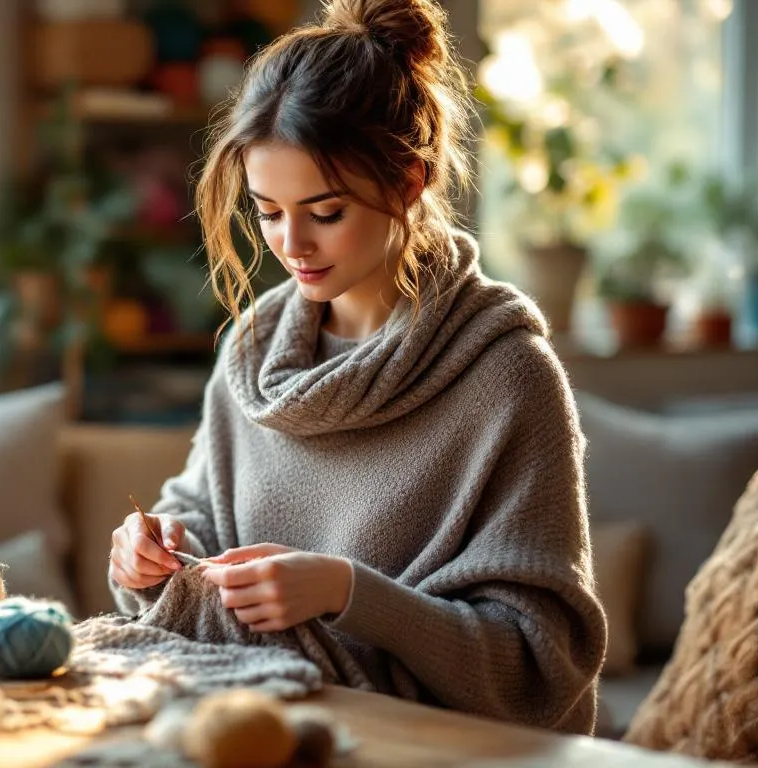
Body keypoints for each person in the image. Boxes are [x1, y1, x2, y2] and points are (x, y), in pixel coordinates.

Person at [106, 0, 607, 736]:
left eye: (326, 212)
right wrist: (150, 551)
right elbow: (199, 516)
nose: (292, 244)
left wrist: (347, 592)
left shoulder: (508, 375)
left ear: (408, 180)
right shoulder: (252, 351)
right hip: (262, 723)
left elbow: (538, 665)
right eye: (267, 211)